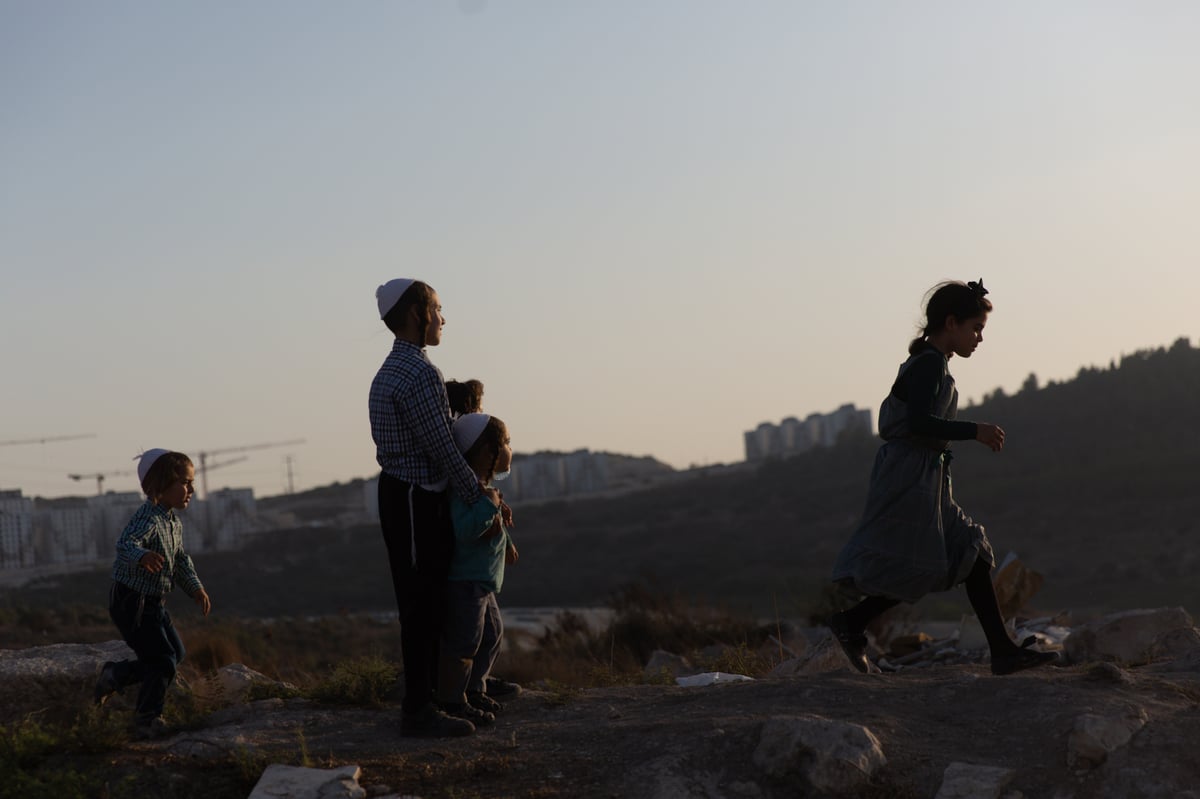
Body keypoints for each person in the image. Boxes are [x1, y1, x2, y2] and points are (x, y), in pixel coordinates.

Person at [829, 279, 1057, 676]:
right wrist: (975, 430)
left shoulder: (934, 362)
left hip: (926, 476)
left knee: (971, 550)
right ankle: (851, 623)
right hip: (909, 477)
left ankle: (1002, 652)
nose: (979, 338)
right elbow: (918, 421)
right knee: (920, 561)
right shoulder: (930, 363)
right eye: (975, 328)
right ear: (950, 323)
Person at [369, 278, 498, 737]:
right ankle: (419, 709)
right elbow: (443, 446)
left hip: (409, 493)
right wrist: (477, 495)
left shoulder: (402, 369)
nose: (443, 318)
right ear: (416, 314)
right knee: (421, 605)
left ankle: (450, 692)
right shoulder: (419, 374)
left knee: (431, 600)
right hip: (413, 496)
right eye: (438, 309)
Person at [94, 449, 212, 739]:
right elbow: (125, 544)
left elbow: (180, 559)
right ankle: (147, 719)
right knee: (161, 660)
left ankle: (116, 675)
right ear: (161, 484)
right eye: (185, 483)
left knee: (176, 654)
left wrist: (195, 587)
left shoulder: (172, 521)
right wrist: (143, 555)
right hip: (131, 600)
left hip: (154, 602)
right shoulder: (147, 517)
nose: (192, 490)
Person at [436, 413, 519, 723]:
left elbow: (493, 526)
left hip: (483, 582)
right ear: (487, 451)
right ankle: (453, 699)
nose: (511, 448)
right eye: (507, 442)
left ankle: (475, 688)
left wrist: (507, 542)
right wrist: (491, 505)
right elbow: (467, 530)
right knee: (464, 642)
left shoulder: (483, 489)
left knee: (492, 634)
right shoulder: (465, 490)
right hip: (466, 582)